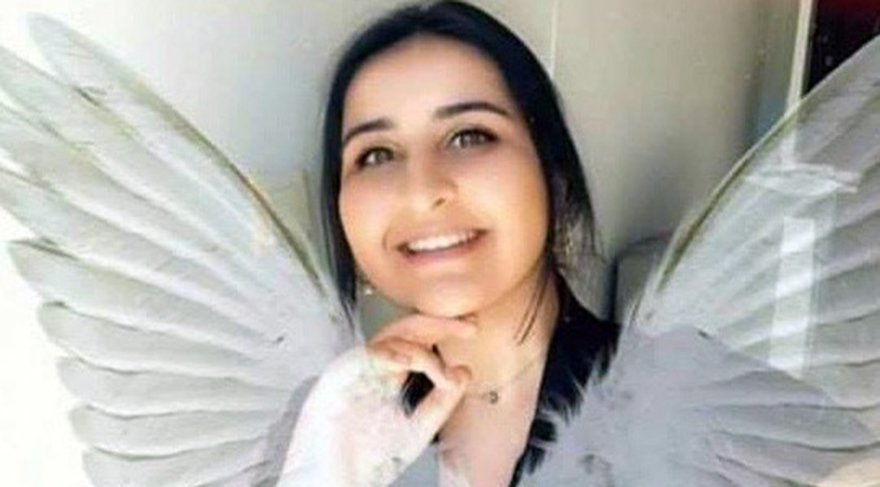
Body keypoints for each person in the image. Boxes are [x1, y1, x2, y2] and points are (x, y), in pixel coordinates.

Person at [287, 2, 619, 485]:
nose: (421, 193)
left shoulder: (683, 397)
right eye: (377, 155)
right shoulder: (341, 425)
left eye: (469, 137)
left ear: (553, 173)